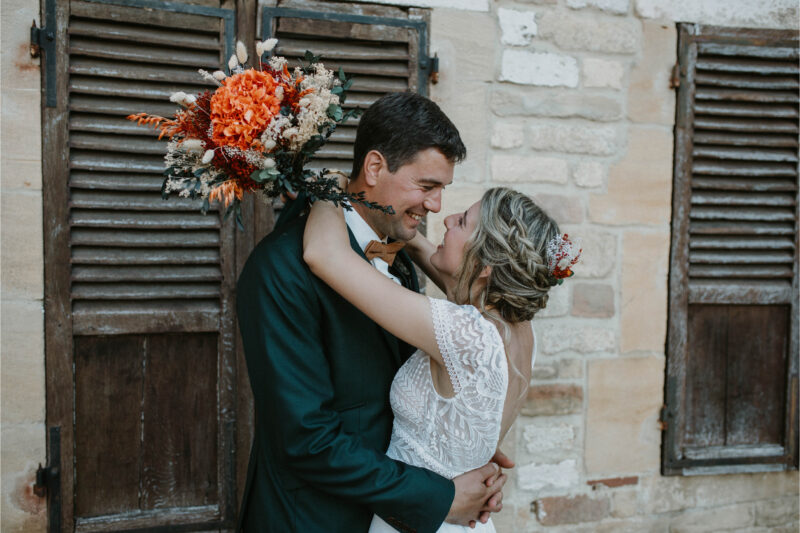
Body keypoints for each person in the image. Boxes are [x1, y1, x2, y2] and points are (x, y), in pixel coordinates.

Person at [236, 92, 510, 533]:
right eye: (427, 187)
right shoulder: (279, 270)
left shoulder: (399, 255)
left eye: (443, 189)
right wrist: (439, 497)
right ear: (376, 167)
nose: (437, 206)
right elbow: (306, 440)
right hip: (315, 519)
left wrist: (459, 442)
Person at [304, 184, 578, 532]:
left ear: (486, 265)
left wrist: (329, 188)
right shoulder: (518, 328)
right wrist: (394, 216)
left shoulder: (466, 335)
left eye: (462, 221)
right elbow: (445, 266)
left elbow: (323, 254)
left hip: (421, 521)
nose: (447, 218)